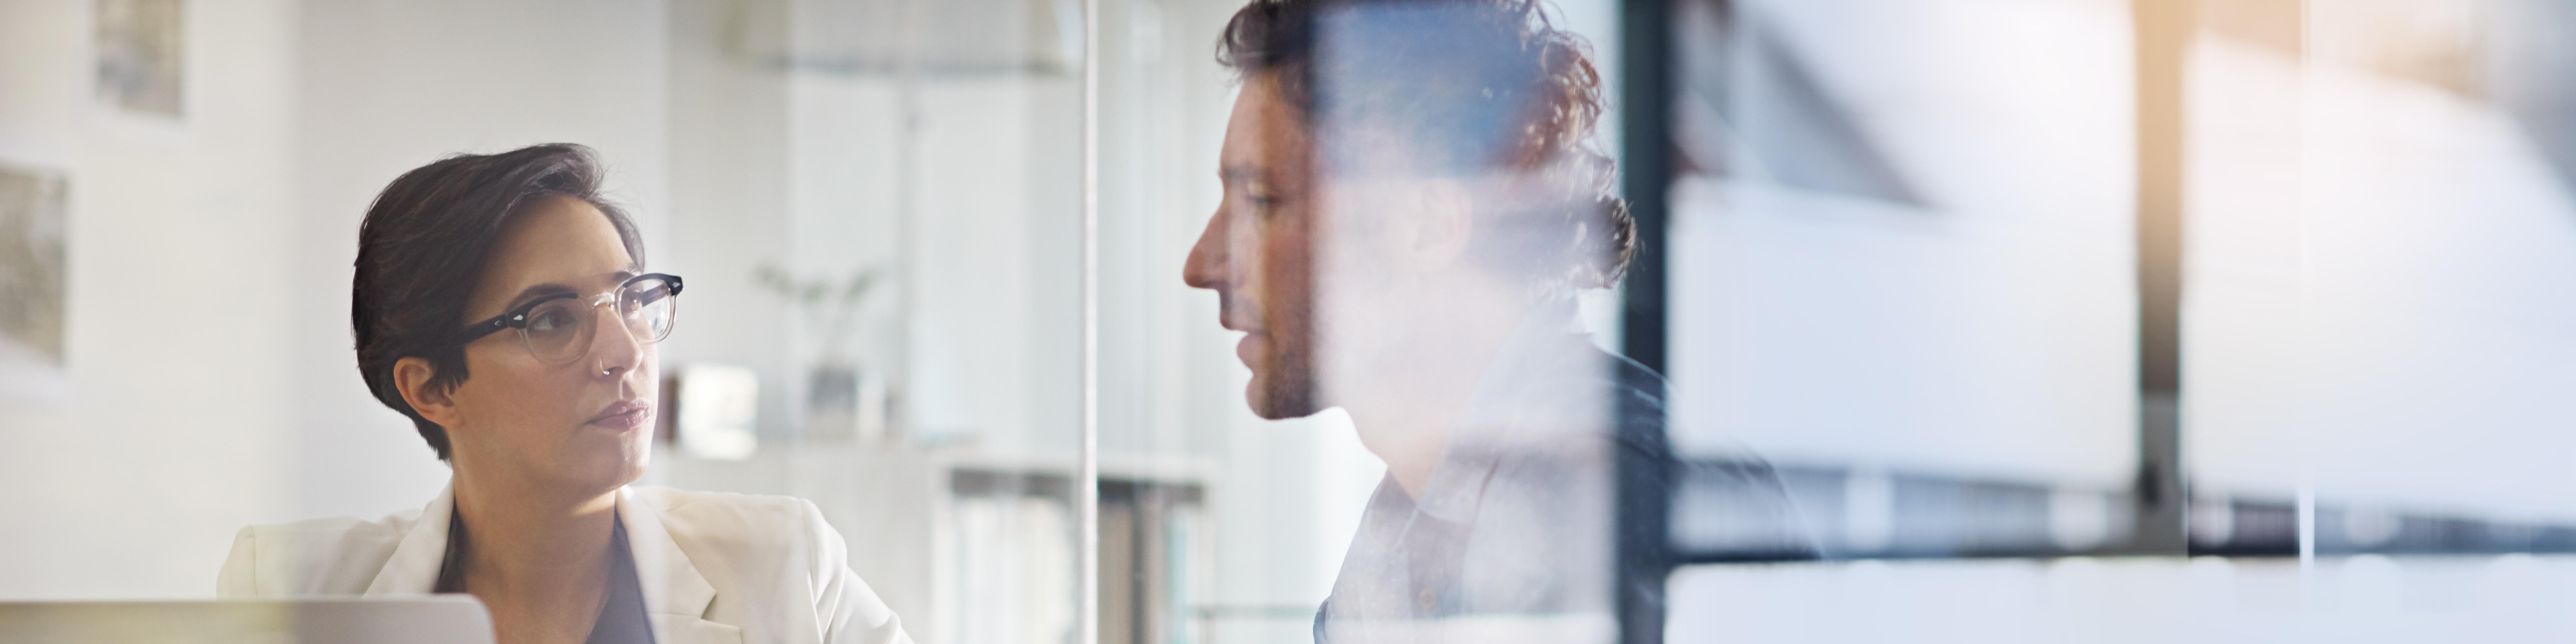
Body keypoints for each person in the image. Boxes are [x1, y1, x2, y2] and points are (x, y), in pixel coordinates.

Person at [1182, 1, 1806, 641]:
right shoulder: (1400, 533)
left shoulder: (1596, 498)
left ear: (1428, 226)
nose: (1201, 265)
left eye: (1261, 201)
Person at [218, 144, 911, 644]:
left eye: (633, 300)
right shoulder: (297, 595)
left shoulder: (786, 567)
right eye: (550, 319)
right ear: (431, 388)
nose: (625, 351)